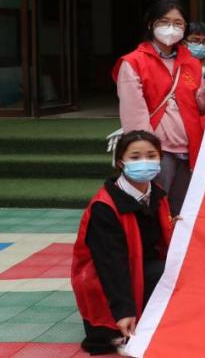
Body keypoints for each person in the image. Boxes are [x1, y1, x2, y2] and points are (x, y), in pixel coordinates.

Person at [72, 130, 172, 356]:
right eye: (135, 157)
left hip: (143, 267)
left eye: (151, 156)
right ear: (120, 162)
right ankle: (124, 330)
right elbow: (110, 264)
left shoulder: (157, 195)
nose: (144, 162)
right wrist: (123, 310)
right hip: (107, 277)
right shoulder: (104, 207)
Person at [114, 0, 202, 215]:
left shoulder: (191, 62)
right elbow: (134, 113)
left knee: (181, 210)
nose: (171, 27)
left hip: (190, 147)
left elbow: (197, 104)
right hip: (159, 149)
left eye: (178, 23)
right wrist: (147, 150)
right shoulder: (133, 62)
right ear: (151, 24)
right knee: (155, 207)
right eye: (164, 21)